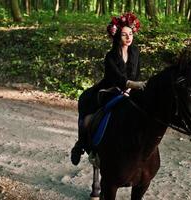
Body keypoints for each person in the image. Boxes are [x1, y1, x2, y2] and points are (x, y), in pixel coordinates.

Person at [71, 12, 146, 166]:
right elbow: (116, 78)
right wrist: (131, 86)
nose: (128, 38)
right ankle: (83, 145)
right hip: (110, 89)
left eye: (130, 34)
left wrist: (132, 89)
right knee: (87, 120)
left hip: (131, 90)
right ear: (117, 36)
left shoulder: (135, 51)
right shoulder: (110, 56)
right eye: (124, 34)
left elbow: (137, 73)